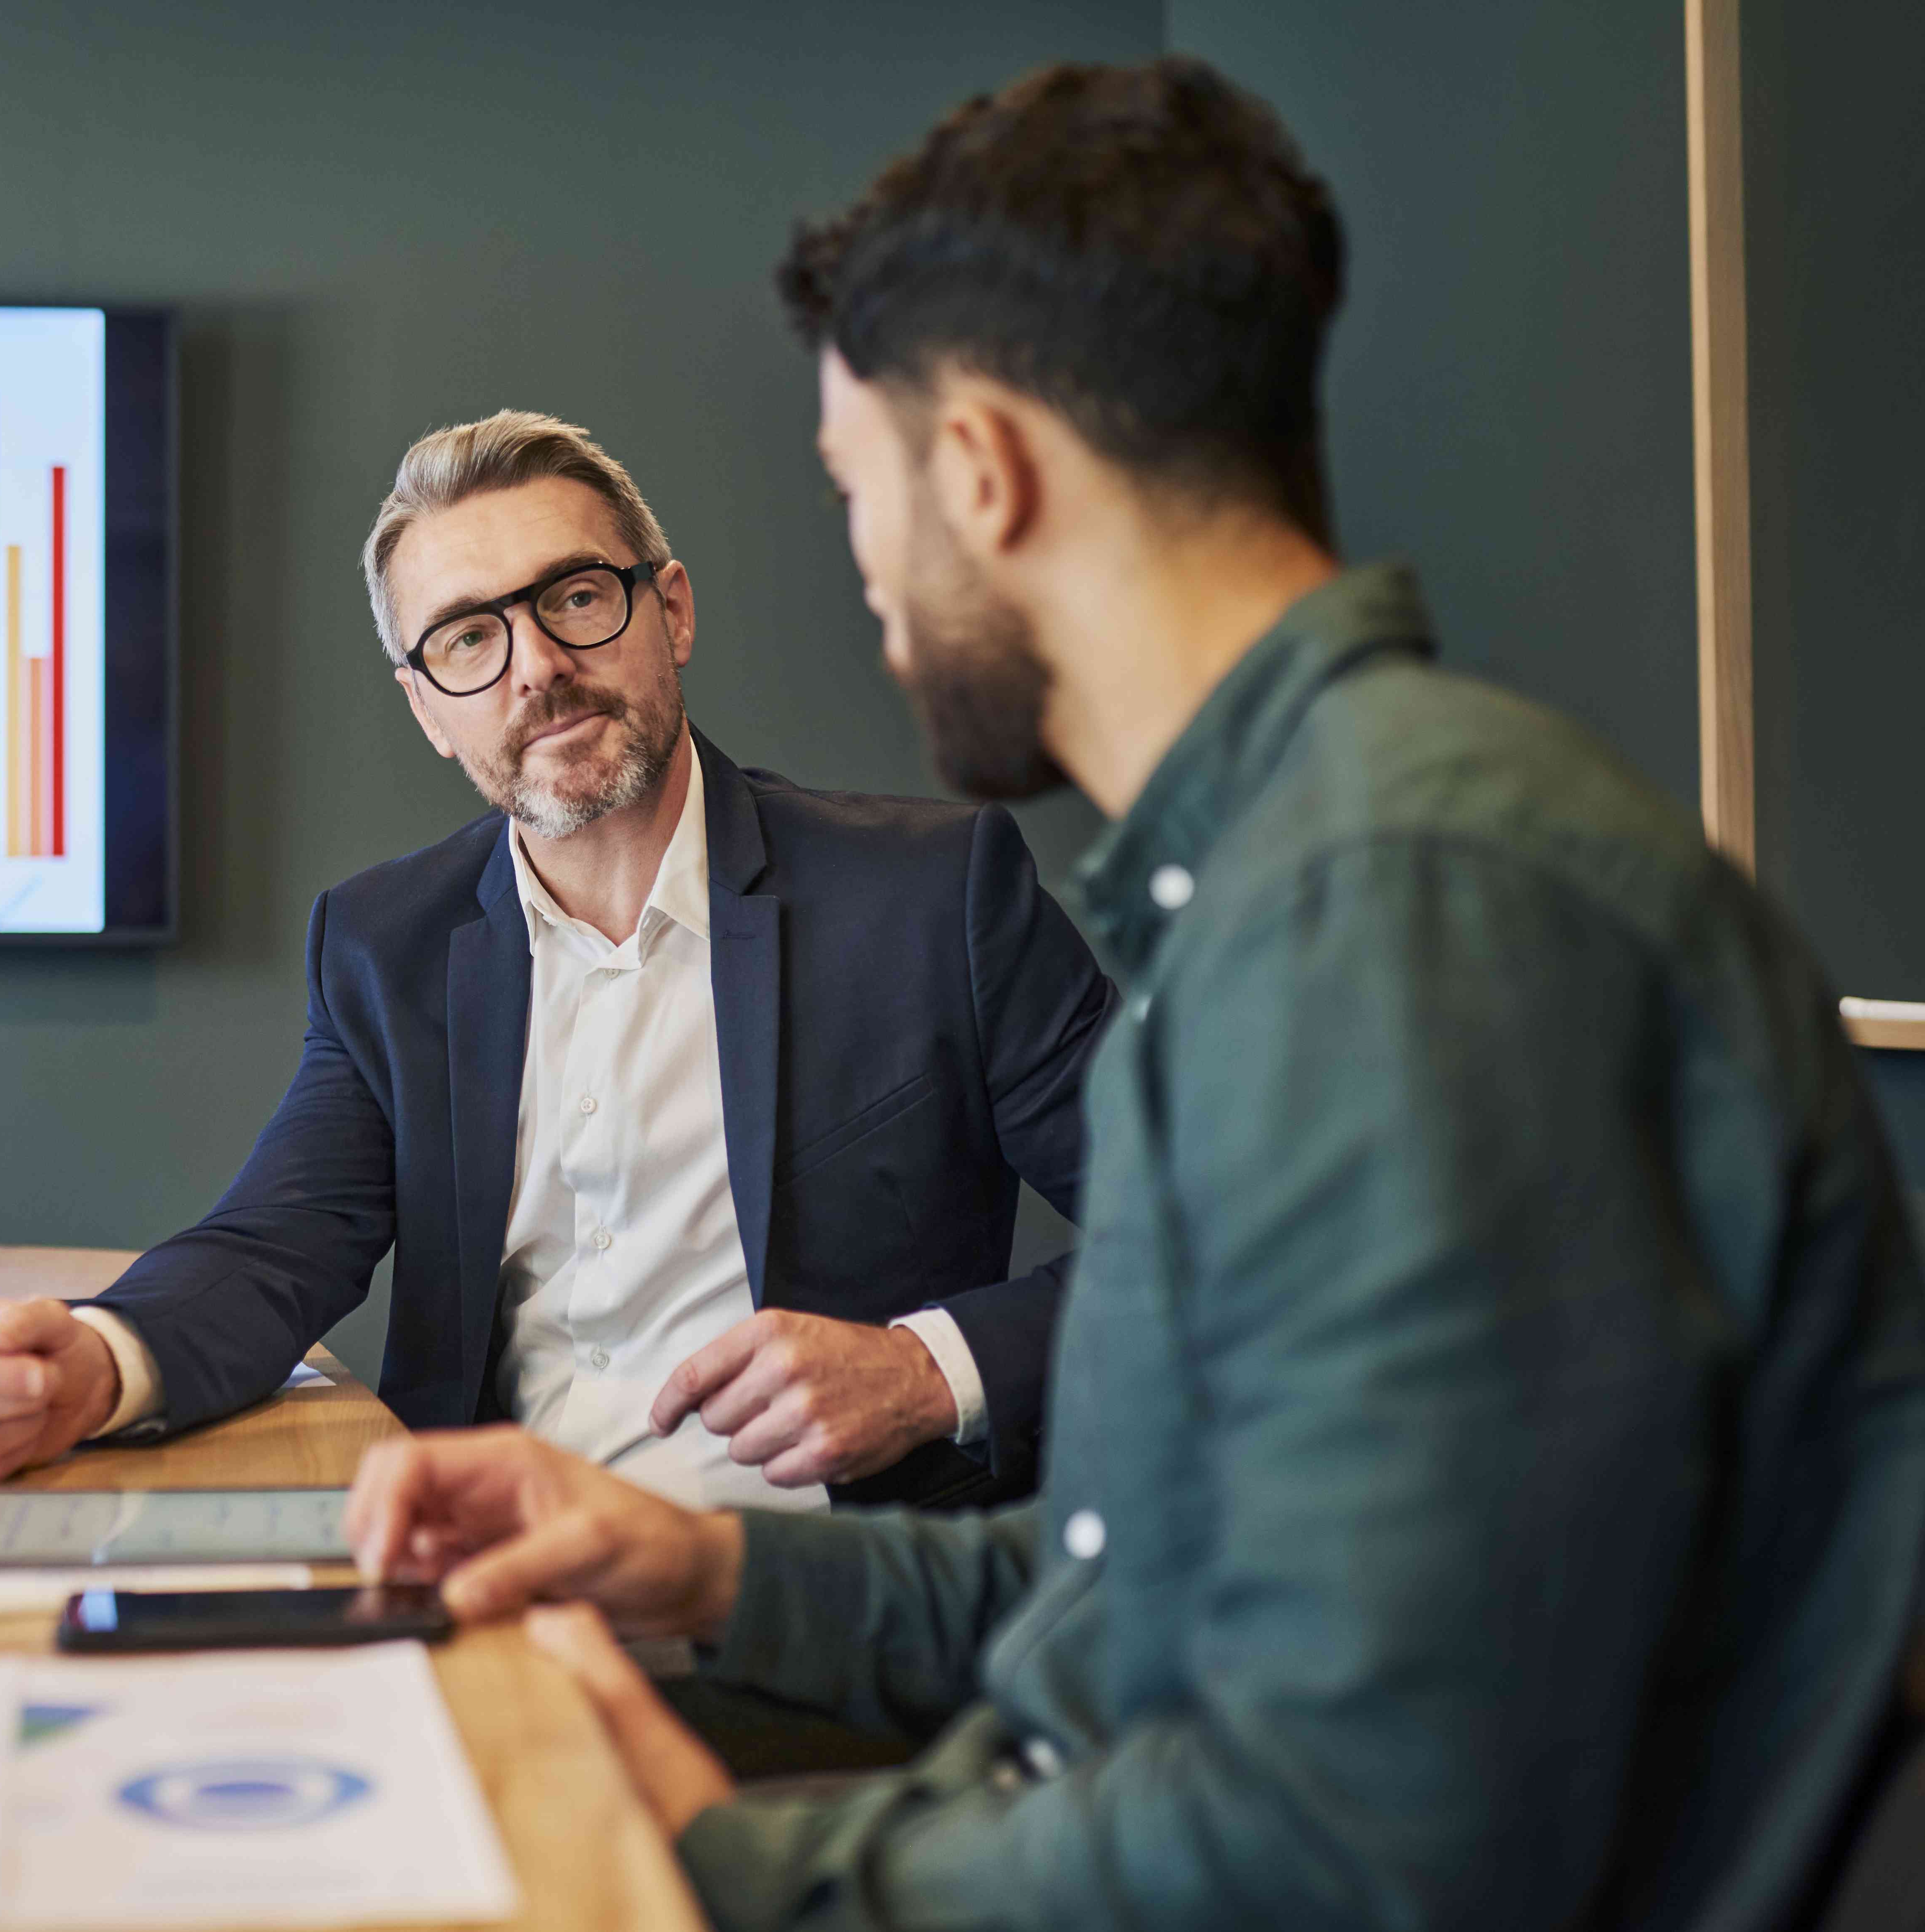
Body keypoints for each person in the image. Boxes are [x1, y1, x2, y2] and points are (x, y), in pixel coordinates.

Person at [341, 55, 1925, 1932]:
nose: (860, 571)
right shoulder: (1294, 874)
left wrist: (712, 1876)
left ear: (983, 472)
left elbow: (1348, 1834)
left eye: (855, 488)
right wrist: (697, 1565)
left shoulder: (1397, 914)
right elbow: (1150, 1583)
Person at [0, 410, 1114, 1513]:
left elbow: (1206, 1231)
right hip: (494, 1581)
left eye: (576, 599)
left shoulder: (929, 897)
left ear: (672, 611)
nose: (534, 666)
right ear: (429, 710)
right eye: (468, 639)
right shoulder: (388, 946)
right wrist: (97, 1363)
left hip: (831, 1602)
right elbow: (278, 1244)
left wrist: (920, 1368)